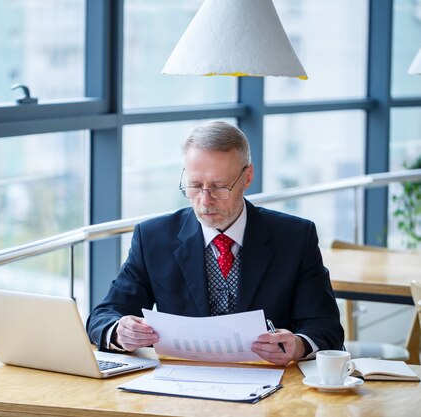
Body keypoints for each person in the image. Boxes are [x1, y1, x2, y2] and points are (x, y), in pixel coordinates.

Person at [86, 121, 344, 366]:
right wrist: (120, 332)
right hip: (179, 386)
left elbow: (326, 327)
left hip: (271, 384)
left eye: (219, 187)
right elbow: (103, 316)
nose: (205, 201)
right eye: (195, 186)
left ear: (247, 177)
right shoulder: (153, 237)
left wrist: (298, 345)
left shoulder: (296, 237)